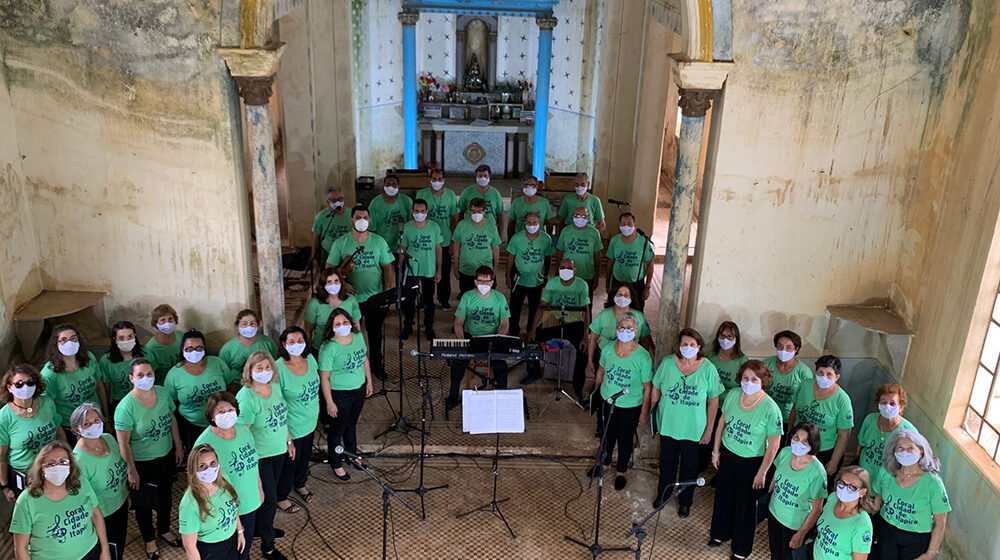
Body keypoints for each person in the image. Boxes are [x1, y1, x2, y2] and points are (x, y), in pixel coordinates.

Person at [709, 360, 783, 560]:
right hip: (729, 454)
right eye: (745, 378)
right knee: (723, 496)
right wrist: (716, 451)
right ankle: (719, 533)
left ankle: (741, 548)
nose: (748, 383)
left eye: (754, 379)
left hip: (752, 462)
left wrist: (762, 472)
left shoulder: (770, 409)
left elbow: (774, 445)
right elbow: (722, 422)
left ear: (763, 381)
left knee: (746, 506)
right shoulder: (733, 395)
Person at [114, 358, 184, 559]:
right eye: (140, 375)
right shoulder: (126, 407)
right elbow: (123, 443)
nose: (146, 378)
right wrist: (131, 469)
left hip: (165, 455)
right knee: (144, 503)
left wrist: (178, 446)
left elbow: (171, 419)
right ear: (131, 378)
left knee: (166, 496)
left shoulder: (162, 393)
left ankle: (164, 529)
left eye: (149, 374)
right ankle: (149, 539)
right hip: (142, 462)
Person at [649, 328, 723, 515]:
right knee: (667, 464)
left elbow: (714, 400)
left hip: (694, 429)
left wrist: (709, 430)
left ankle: (685, 501)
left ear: (699, 347)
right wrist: (654, 416)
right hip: (669, 425)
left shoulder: (708, 368)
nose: (688, 348)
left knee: (690, 468)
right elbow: (656, 388)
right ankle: (663, 495)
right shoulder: (667, 364)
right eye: (684, 344)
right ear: (678, 345)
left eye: (692, 345)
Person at [326, 205, 396, 381]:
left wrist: (387, 294)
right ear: (352, 219)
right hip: (349, 299)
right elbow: (329, 269)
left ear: (370, 220)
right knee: (350, 335)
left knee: (375, 334)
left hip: (374, 297)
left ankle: (376, 365)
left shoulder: (379, 241)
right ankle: (352, 366)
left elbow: (388, 268)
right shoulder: (341, 243)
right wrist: (343, 284)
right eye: (358, 217)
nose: (362, 221)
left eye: (365, 217)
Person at [11, 440, 111, 560]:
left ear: (70, 466)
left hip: (90, 552)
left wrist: (105, 550)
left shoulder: (80, 483)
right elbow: (21, 548)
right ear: (41, 470)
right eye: (51, 464)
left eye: (63, 462)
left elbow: (96, 515)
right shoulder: (26, 501)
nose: (58, 467)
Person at [235, 351, 292, 560]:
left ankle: (262, 528)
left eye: (267, 367)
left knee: (270, 495)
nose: (264, 372)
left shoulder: (274, 386)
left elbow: (281, 415)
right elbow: (243, 433)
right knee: (269, 499)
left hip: (278, 450)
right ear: (250, 371)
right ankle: (268, 547)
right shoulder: (246, 396)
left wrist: (288, 439)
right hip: (260, 456)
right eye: (259, 368)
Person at [194, 392, 263, 560]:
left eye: (230, 409)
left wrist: (259, 487)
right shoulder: (204, 443)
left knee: (245, 546)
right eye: (221, 411)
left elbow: (253, 461)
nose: (227, 414)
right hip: (226, 508)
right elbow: (200, 481)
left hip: (249, 500)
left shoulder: (243, 430)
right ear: (211, 415)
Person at [591, 312, 652, 491]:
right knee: (607, 434)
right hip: (608, 400)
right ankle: (605, 463)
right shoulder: (609, 348)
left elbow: (648, 387)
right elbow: (600, 372)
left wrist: (644, 412)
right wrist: (596, 395)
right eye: (621, 327)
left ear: (636, 330)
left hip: (630, 405)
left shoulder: (643, 357)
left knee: (625, 439)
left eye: (629, 328)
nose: (624, 331)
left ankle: (621, 471)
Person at [872, 430, 950, 560]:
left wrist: (931, 553)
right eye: (900, 448)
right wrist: (873, 530)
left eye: (910, 448)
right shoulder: (886, 472)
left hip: (916, 537)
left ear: (921, 452)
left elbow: (940, 521)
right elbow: (877, 502)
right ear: (894, 452)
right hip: (887, 530)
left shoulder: (932, 483)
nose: (905, 452)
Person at [318, 308, 374, 481]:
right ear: (332, 327)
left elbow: (364, 359)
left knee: (351, 425)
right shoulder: (329, 347)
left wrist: (369, 381)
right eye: (337, 324)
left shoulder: (358, 337)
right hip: (339, 394)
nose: (342, 326)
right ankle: (336, 463)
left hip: (358, 389)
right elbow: (324, 377)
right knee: (336, 430)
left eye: (345, 322)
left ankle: (352, 455)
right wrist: (329, 402)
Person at [447, 267, 512, 412]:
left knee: (501, 366)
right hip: (471, 337)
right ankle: (452, 397)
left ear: (492, 282)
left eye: (487, 281)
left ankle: (501, 398)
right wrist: (463, 341)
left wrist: (499, 339)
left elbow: (505, 324)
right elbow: (458, 323)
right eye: (481, 281)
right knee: (457, 364)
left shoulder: (500, 298)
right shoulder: (467, 297)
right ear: (475, 282)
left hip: (492, 338)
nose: (484, 284)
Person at [71, 403, 129, 560]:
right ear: (77, 429)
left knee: (119, 545)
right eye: (87, 424)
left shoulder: (109, 439)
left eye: (97, 420)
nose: (94, 426)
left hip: (121, 504)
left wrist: (126, 495)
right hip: (102, 516)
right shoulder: (78, 461)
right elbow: (84, 500)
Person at [525, 258, 591, 396]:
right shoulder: (552, 283)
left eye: (569, 268)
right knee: (531, 342)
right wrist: (532, 330)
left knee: (583, 351)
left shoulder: (582, 285)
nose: (565, 270)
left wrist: (586, 335)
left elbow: (586, 311)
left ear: (574, 271)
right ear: (558, 269)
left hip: (575, 324)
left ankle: (578, 385)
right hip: (555, 321)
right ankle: (534, 373)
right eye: (562, 268)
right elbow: (542, 306)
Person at [164, 329, 237, 450]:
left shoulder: (217, 363)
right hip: (192, 425)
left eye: (198, 348)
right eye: (189, 348)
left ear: (204, 348)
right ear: (183, 349)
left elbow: (230, 387)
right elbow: (171, 404)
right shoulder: (174, 375)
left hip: (222, 421)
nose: (194, 352)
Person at [0, 364, 65, 500]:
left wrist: (66, 457)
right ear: (9, 387)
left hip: (52, 468)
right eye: (19, 384)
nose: (25, 387)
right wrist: (5, 487)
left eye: (30, 382)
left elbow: (59, 431)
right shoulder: (4, 417)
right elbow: (1, 456)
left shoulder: (47, 403)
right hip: (25, 476)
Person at [788, 354, 854, 484]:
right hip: (798, 444)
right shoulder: (805, 385)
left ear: (837, 377)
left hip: (823, 451)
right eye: (820, 372)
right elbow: (794, 411)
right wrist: (789, 437)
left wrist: (834, 462)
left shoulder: (842, 400)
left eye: (829, 374)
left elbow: (844, 435)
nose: (824, 377)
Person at [767, 422, 827, 560]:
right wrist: (767, 504)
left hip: (795, 525)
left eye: (805, 441)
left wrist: (801, 533)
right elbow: (775, 479)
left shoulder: (817, 472)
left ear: (813, 444)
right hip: (774, 514)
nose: (798, 443)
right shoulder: (785, 452)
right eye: (796, 438)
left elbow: (817, 509)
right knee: (775, 553)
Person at [275, 327, 319, 513]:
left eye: (300, 340)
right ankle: (282, 496)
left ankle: (300, 483)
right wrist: (288, 437)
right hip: (291, 427)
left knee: (304, 459)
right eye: (291, 342)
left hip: (309, 423)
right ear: (284, 344)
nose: (296, 345)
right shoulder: (278, 368)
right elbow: (277, 405)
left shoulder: (310, 359)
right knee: (290, 463)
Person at [41, 324, 107, 445]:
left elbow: (99, 387)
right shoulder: (50, 373)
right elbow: (49, 406)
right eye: (63, 340)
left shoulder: (89, 359)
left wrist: (106, 417)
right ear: (56, 344)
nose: (69, 343)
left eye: (73, 338)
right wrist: (60, 433)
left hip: (95, 420)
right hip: (71, 426)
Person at [178, 443, 246, 560]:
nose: (210, 469)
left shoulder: (223, 480)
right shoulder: (189, 504)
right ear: (193, 470)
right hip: (211, 550)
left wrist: (239, 531)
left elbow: (233, 508)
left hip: (231, 541)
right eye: (202, 466)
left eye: (213, 463)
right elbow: (190, 548)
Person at [506, 211, 555, 338]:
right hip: (519, 280)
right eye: (529, 223)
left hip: (536, 280)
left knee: (534, 308)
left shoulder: (546, 238)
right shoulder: (517, 238)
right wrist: (507, 275)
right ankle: (513, 331)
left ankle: (530, 331)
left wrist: (546, 274)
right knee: (515, 307)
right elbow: (511, 257)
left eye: (534, 223)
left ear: (539, 223)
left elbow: (548, 258)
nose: (531, 225)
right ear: (524, 223)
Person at [400, 198, 443, 340]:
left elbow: (438, 249)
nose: (419, 214)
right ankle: (407, 326)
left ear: (427, 212)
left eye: (422, 211)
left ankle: (429, 326)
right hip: (411, 270)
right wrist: (401, 270)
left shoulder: (434, 227)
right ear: (412, 211)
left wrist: (439, 270)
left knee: (428, 300)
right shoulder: (406, 227)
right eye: (416, 211)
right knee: (409, 300)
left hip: (429, 269)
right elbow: (403, 249)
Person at [417, 168, 461, 310]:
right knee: (425, 272)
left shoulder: (450, 195)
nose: (437, 182)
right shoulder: (422, 194)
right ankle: (423, 300)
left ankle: (443, 299)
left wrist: (454, 240)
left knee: (444, 271)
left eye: (440, 179)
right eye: (434, 179)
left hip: (445, 239)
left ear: (444, 180)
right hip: (426, 240)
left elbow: (454, 218)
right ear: (430, 179)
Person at [587, 282, 653, 372]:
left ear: (631, 298)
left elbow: (645, 339)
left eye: (626, 295)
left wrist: (643, 359)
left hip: (630, 359)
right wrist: (590, 360)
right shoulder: (604, 315)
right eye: (619, 294)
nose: (622, 297)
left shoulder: (639, 317)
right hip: (604, 357)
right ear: (613, 296)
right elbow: (593, 339)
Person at [813, 466, 876, 560]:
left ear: (862, 492)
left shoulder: (862, 524)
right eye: (842, 483)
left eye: (852, 487)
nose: (844, 489)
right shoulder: (833, 499)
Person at [856, 384, 915, 481]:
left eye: (892, 404)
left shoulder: (908, 432)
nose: (887, 407)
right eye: (883, 403)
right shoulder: (870, 419)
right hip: (864, 475)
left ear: (901, 407)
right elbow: (860, 445)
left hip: (887, 480)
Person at [304, 267, 362, 355]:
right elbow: (308, 330)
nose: (333, 285)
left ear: (341, 282)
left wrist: (359, 346)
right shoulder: (315, 304)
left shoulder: (351, 300)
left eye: (336, 281)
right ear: (323, 285)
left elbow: (357, 327)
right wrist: (307, 353)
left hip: (345, 348)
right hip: (321, 349)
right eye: (329, 282)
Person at [452, 197, 501, 295]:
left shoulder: (491, 226)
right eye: (473, 211)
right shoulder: (462, 225)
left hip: (486, 271)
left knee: (486, 297)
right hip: (466, 269)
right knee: (467, 296)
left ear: (485, 211)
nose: (476, 214)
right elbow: (456, 247)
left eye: (479, 211)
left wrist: (495, 269)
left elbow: (496, 249)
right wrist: (455, 266)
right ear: (469, 211)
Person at [762, 330, 814, 424]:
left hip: (788, 420)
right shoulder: (766, 364)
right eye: (780, 346)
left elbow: (806, 400)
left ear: (796, 349)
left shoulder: (804, 372)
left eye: (788, 347)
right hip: (765, 414)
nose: (783, 350)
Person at [605, 213, 654, 311]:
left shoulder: (644, 243)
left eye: (629, 224)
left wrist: (647, 287)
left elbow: (650, 265)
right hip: (617, 283)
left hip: (636, 284)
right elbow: (610, 263)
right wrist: (607, 284)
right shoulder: (614, 241)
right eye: (623, 224)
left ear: (634, 224)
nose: (626, 227)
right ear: (619, 225)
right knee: (615, 311)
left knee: (636, 312)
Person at [555, 205, 604, 304]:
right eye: (577, 215)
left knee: (585, 304)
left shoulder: (594, 233)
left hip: (587, 275)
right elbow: (559, 252)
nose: (580, 219)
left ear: (588, 218)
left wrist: (597, 275)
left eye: (584, 216)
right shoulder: (565, 231)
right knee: (567, 302)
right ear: (572, 217)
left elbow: (597, 255)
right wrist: (557, 271)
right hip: (567, 273)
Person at [98, 321, 146, 415]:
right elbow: (106, 390)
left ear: (135, 336)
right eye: (121, 338)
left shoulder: (146, 354)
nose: (126, 340)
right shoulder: (106, 360)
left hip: (144, 400)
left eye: (130, 336)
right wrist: (107, 416)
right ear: (115, 340)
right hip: (120, 403)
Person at [218, 309, 280, 374]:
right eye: (244, 324)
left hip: (264, 382)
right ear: (237, 326)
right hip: (238, 383)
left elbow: (276, 364)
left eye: (252, 323)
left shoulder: (268, 342)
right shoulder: (228, 349)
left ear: (258, 325)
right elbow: (222, 372)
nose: (249, 327)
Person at [368, 174, 414, 253]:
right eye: (388, 184)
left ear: (398, 186)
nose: (390, 187)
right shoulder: (375, 203)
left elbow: (412, 224)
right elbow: (372, 229)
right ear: (384, 186)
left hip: (402, 246)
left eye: (394, 184)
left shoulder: (406, 201)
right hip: (382, 246)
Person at [311, 186, 351, 268]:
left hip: (347, 256)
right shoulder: (321, 216)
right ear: (328, 201)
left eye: (340, 199)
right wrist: (314, 258)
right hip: (327, 255)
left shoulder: (352, 214)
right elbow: (316, 238)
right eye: (333, 200)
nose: (338, 202)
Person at [144, 304, 183, 384]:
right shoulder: (151, 348)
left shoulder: (181, 336)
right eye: (163, 320)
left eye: (170, 319)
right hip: (164, 384)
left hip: (182, 381)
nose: (167, 323)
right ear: (156, 323)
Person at [458, 164, 504, 232]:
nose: (483, 178)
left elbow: (500, 215)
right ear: (476, 177)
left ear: (489, 177)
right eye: (480, 176)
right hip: (470, 230)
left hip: (490, 230)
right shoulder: (467, 192)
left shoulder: (495, 194)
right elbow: (460, 213)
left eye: (485, 176)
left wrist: (499, 235)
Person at [507, 175, 554, 239]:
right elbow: (511, 224)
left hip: (540, 239)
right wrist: (510, 241)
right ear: (522, 186)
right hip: (520, 239)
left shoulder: (544, 203)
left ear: (537, 186)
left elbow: (549, 223)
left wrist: (549, 241)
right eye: (526, 184)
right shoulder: (516, 202)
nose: (529, 187)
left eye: (532, 185)